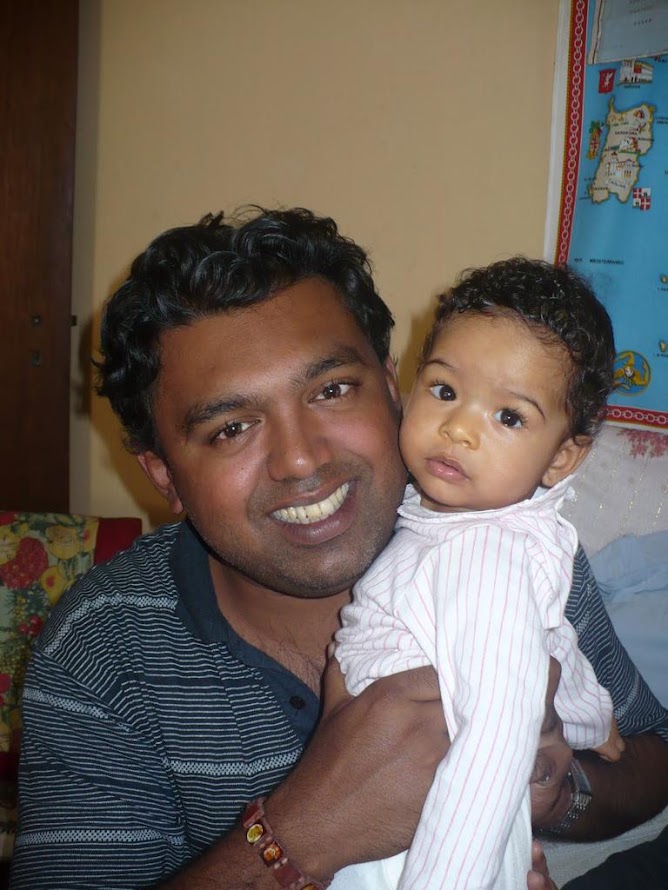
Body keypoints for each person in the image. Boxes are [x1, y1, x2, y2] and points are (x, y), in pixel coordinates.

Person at [10, 209, 668, 890]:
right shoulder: (101, 647)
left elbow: (652, 756)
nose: (301, 460)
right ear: (164, 475)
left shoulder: (507, 539)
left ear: (391, 387)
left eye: (331, 390)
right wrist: (305, 829)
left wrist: (556, 794)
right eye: (231, 428)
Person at [336, 257, 623, 889]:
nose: (459, 428)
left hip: (425, 844)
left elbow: (493, 746)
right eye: (444, 391)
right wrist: (591, 718)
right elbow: (552, 641)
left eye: (509, 417)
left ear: (562, 457)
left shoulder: (478, 554)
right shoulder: (480, 531)